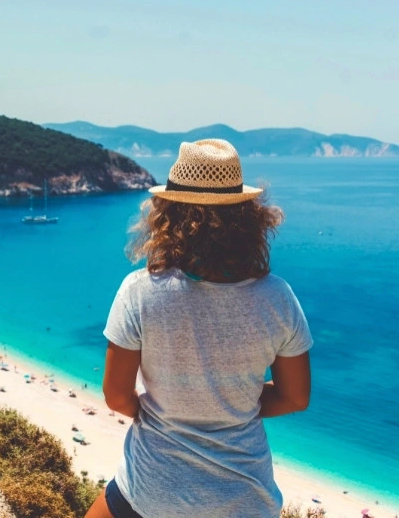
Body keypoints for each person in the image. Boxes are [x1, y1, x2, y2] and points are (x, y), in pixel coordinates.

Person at [85, 139, 313, 518]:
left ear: (168, 215)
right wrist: (231, 403)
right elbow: (295, 398)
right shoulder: (278, 298)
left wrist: (167, 409)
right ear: (248, 218)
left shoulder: (140, 291)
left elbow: (116, 396)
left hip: (150, 492)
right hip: (245, 501)